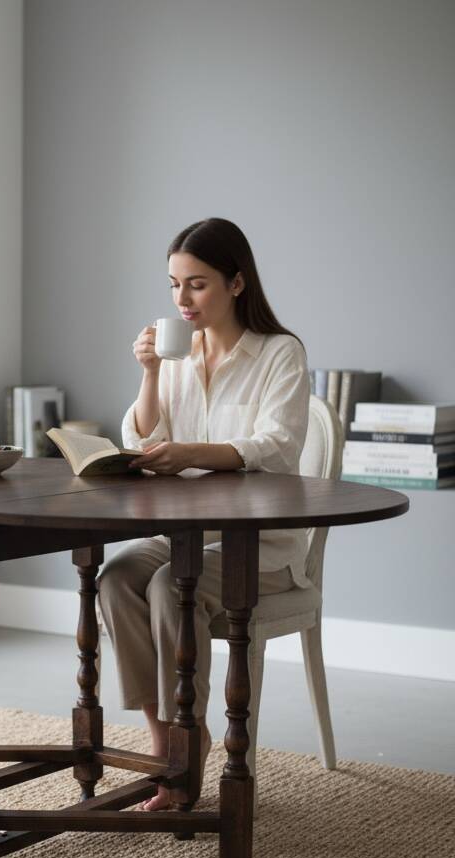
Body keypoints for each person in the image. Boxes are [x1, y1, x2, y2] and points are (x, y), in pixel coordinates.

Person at [96, 217, 312, 811]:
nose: (181, 300)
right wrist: (149, 373)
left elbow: (277, 446)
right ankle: (168, 740)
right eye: (173, 285)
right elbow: (143, 439)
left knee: (174, 586)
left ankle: (185, 745)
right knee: (115, 578)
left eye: (197, 284)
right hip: (189, 533)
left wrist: (193, 454)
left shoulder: (279, 353)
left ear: (236, 283)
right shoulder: (176, 354)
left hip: (261, 544)